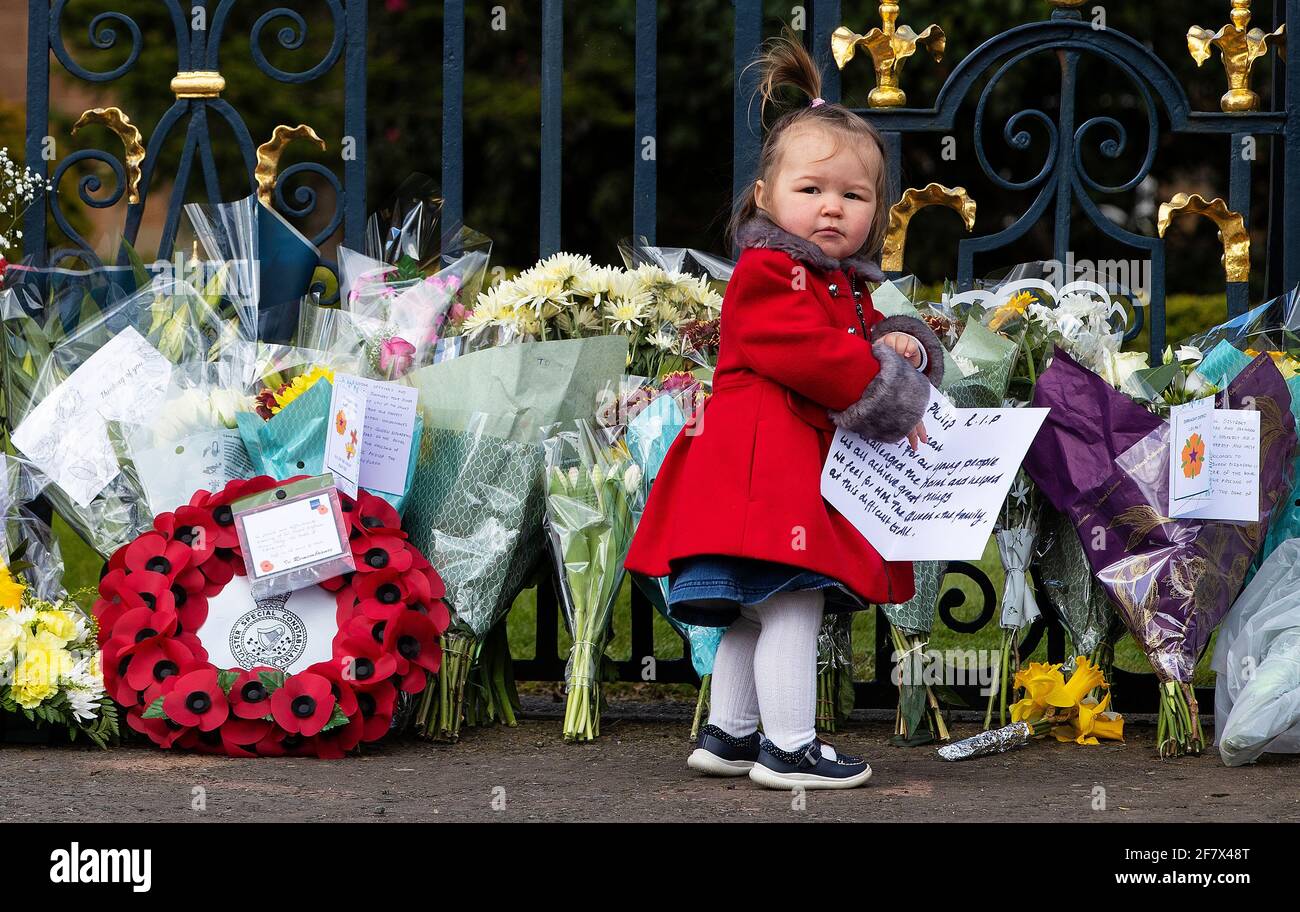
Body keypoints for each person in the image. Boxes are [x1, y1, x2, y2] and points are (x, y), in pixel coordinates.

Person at [623, 32, 944, 790]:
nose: (832, 207)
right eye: (811, 190)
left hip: (764, 470)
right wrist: (892, 387)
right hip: (764, 471)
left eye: (854, 196)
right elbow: (813, 354)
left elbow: (856, 339)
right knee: (793, 604)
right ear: (765, 198)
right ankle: (790, 747)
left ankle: (731, 736)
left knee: (751, 609)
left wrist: (904, 341)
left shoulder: (833, 282)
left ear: (877, 210)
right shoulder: (770, 272)